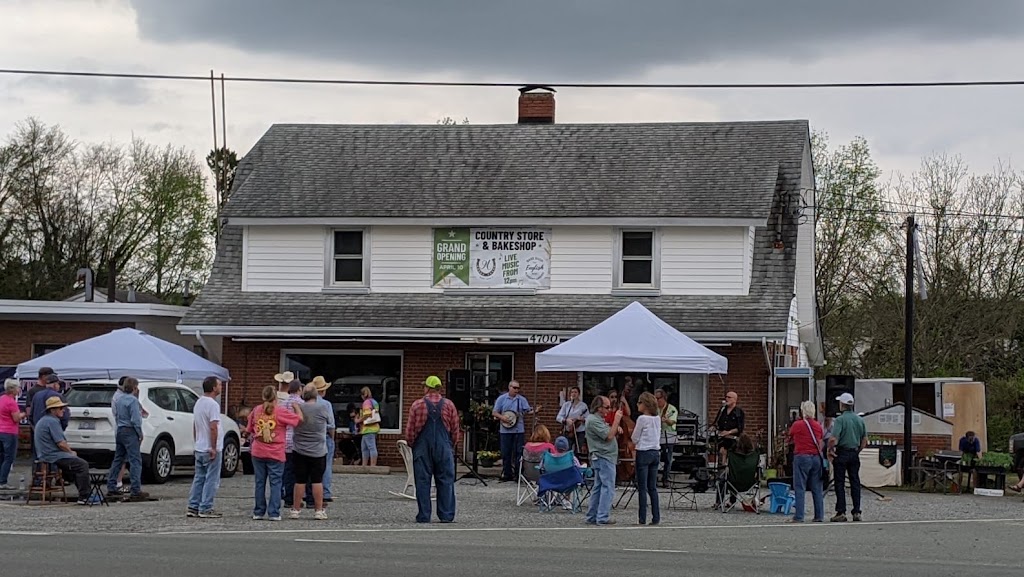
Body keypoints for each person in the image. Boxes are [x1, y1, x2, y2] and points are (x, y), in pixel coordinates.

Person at [405, 375, 460, 523]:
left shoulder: (417, 405)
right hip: (444, 448)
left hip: (422, 448)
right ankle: (446, 515)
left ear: (428, 388)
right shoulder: (449, 405)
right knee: (445, 481)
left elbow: (410, 432)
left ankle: (424, 515)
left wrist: (413, 445)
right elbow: (455, 431)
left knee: (422, 481)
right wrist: (450, 445)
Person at [246, 385, 303, 521]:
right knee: (276, 482)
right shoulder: (280, 411)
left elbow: (250, 429)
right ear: (275, 397)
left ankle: (259, 511)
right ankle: (274, 512)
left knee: (259, 482)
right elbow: (298, 420)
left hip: (258, 451)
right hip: (276, 452)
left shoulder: (256, 410)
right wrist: (297, 408)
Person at [33, 396, 92, 504]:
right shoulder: (52, 421)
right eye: (60, 408)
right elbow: (61, 443)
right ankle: (85, 496)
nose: (63, 410)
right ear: (53, 410)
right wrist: (71, 452)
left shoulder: (45, 420)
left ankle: (80, 490)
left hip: (45, 453)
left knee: (74, 465)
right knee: (82, 464)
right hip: (52, 455)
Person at [290, 384, 331, 520]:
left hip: (299, 448)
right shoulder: (323, 407)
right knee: (317, 480)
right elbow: (330, 423)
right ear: (315, 395)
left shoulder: (298, 408)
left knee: (299, 480)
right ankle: (318, 510)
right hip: (318, 450)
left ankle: (295, 509)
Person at [106, 377, 149, 501]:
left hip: (120, 429)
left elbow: (117, 415)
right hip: (130, 430)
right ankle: (136, 489)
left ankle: (111, 486)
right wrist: (139, 433)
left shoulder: (118, 399)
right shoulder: (133, 401)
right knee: (135, 460)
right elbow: (135, 419)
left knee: (118, 459)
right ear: (135, 388)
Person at [187, 376, 224, 519]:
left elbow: (195, 424)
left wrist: (197, 441)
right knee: (211, 479)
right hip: (210, 447)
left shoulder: (198, 402)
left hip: (200, 446)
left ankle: (193, 505)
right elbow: (213, 427)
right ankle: (206, 507)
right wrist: (213, 447)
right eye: (219, 385)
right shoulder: (213, 405)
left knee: (199, 477)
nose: (221, 387)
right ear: (214, 388)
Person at [828, 392, 867, 522]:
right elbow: (864, 439)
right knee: (855, 481)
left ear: (842, 405)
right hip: (854, 453)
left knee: (839, 482)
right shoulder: (859, 420)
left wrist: (830, 449)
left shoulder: (840, 420)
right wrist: (858, 451)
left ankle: (841, 511)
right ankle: (857, 511)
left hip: (842, 452)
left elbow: (833, 438)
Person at [584, 395, 622, 525]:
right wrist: (617, 420)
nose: (609, 410)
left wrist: (614, 426)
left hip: (603, 456)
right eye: (607, 407)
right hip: (604, 456)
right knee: (608, 487)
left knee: (599, 486)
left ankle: (592, 516)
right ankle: (603, 517)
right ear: (599, 408)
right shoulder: (593, 420)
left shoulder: (598, 420)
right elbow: (609, 436)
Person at [492, 380, 537, 482]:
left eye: (518, 388)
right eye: (514, 388)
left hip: (518, 430)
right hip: (505, 430)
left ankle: (518, 474)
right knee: (505, 452)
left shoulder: (521, 400)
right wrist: (502, 418)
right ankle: (507, 474)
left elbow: (527, 411)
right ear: (509, 387)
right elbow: (494, 412)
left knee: (518, 452)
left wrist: (534, 411)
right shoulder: (502, 399)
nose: (516, 390)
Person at [788, 400, 824, 523]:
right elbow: (820, 439)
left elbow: (790, 437)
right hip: (816, 458)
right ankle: (819, 515)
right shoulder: (818, 425)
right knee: (817, 488)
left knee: (800, 487)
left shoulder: (797, 425)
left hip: (801, 456)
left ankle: (799, 516)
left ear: (802, 411)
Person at [304, 376, 335, 507]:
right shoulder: (326, 404)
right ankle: (325, 493)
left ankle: (307, 493)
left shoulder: (304, 404)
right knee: (326, 466)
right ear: (323, 391)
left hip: (307, 437)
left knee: (307, 468)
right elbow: (331, 424)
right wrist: (332, 438)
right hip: (324, 435)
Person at [631, 392, 661, 526]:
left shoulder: (642, 419)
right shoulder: (657, 418)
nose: (638, 405)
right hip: (655, 451)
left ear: (645, 405)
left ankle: (642, 518)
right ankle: (656, 517)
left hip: (643, 452)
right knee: (652, 487)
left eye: (639, 402)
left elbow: (635, 437)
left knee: (642, 487)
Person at [279, 379, 303, 508]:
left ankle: (286, 496)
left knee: (286, 470)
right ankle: (294, 498)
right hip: (296, 439)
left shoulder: (284, 403)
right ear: (299, 389)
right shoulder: (300, 403)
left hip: (285, 439)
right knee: (296, 471)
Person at [0, 379, 26, 489]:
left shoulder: (1, 399)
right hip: (10, 432)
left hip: (0, 430)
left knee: (1, 456)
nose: (19, 390)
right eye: (18, 388)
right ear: (12, 389)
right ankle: (3, 481)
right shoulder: (12, 402)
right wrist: (24, 414)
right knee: (9, 457)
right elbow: (16, 418)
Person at [713, 391, 745, 465]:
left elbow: (740, 428)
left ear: (734, 400)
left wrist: (728, 432)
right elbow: (717, 422)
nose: (726, 399)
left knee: (731, 456)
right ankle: (721, 470)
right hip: (722, 438)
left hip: (733, 439)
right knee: (721, 453)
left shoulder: (739, 412)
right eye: (726, 397)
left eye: (729, 397)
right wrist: (714, 427)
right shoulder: (722, 410)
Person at [654, 388, 678, 486]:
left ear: (664, 398)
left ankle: (666, 479)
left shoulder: (671, 409)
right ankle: (654, 479)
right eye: (655, 398)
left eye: (658, 398)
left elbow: (672, 421)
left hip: (668, 436)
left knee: (668, 459)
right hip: (656, 436)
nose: (656, 400)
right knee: (655, 458)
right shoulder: (654, 409)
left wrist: (666, 420)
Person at [555, 386, 588, 452]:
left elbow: (588, 418)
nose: (573, 394)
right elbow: (558, 417)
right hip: (569, 431)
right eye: (572, 392)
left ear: (579, 394)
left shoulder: (583, 405)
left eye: (575, 392)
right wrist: (566, 420)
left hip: (580, 431)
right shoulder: (566, 405)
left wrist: (582, 419)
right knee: (567, 449)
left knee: (578, 449)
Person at [356, 386, 380, 467]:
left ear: (363, 395)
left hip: (368, 429)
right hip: (374, 428)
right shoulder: (374, 402)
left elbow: (367, 414)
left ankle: (372, 466)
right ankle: (364, 465)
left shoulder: (366, 402)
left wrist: (359, 420)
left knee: (371, 447)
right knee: (364, 448)